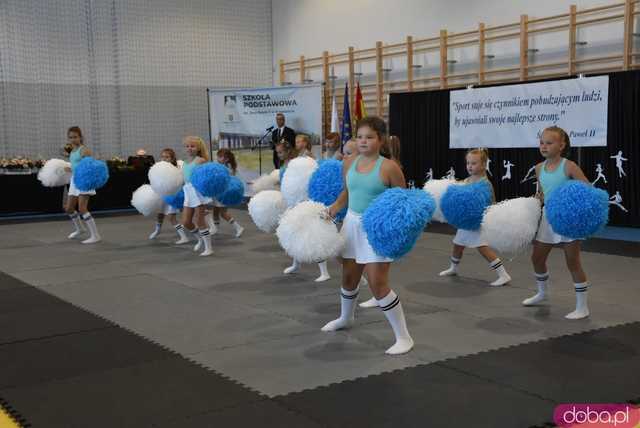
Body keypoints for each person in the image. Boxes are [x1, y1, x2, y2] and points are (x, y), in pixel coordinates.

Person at [324, 116, 414, 355]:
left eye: (369, 137)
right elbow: (347, 192)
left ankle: (404, 337)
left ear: (380, 140)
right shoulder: (348, 163)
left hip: (376, 229)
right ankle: (346, 318)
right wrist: (333, 207)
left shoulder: (389, 167)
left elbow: (401, 202)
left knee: (377, 282)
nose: (363, 141)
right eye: (360, 137)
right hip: (351, 224)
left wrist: (396, 231)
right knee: (348, 278)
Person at [523, 126, 592, 319]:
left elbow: (586, 187)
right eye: (541, 142)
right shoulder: (538, 168)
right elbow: (543, 193)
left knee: (573, 261)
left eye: (549, 143)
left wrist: (572, 202)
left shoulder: (569, 166)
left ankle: (582, 307)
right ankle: (542, 293)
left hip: (569, 219)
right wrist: (536, 201)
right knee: (537, 258)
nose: (544, 146)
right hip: (548, 218)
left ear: (561, 145)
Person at [438, 148, 512, 287]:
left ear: (484, 165)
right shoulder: (467, 180)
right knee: (458, 245)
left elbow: (492, 203)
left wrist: (490, 218)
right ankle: (453, 268)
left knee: (483, 248)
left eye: (474, 163)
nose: (470, 166)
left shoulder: (485, 183)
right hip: (466, 223)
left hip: (478, 223)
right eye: (468, 163)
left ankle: (503, 274)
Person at [176, 136, 214, 257]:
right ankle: (200, 239)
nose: (189, 148)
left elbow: (207, 176)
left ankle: (209, 248)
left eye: (192, 146)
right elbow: (183, 178)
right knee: (186, 222)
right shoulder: (183, 162)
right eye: (187, 146)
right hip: (187, 191)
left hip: (198, 192)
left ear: (198, 148)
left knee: (199, 220)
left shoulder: (200, 160)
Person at [64, 126, 101, 244]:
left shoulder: (84, 150)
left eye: (75, 137)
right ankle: (80, 229)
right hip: (75, 181)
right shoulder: (72, 151)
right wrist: (70, 169)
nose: (73, 139)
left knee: (82, 208)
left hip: (84, 181)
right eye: (70, 137)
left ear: (80, 137)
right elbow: (76, 166)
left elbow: (89, 167)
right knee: (69, 208)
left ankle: (95, 235)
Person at [149, 149, 188, 242]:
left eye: (167, 157)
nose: (164, 159)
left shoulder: (179, 165)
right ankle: (157, 230)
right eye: (162, 156)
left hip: (174, 195)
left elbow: (183, 179)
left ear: (172, 158)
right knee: (160, 214)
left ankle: (183, 237)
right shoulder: (159, 167)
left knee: (171, 217)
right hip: (162, 194)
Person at [210, 148, 244, 238]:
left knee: (223, 213)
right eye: (218, 156)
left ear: (227, 159)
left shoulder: (226, 168)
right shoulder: (221, 166)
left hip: (223, 194)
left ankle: (238, 227)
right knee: (215, 212)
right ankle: (215, 228)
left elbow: (227, 179)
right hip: (217, 193)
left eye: (221, 157)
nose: (218, 158)